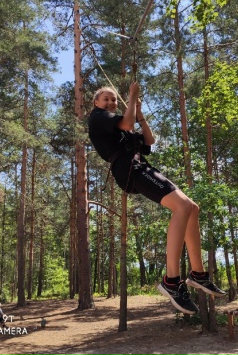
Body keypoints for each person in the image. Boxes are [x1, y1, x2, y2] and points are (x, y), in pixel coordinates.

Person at [88, 82, 226, 315]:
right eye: (106, 99)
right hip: (129, 169)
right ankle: (171, 281)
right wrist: (132, 97)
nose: (110, 102)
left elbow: (149, 140)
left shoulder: (119, 124)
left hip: (141, 166)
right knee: (182, 207)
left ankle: (198, 274)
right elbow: (127, 123)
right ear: (96, 102)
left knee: (192, 208)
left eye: (113, 99)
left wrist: (139, 113)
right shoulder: (98, 117)